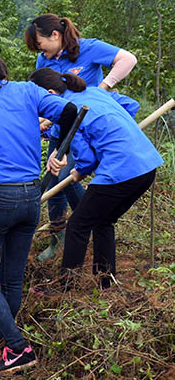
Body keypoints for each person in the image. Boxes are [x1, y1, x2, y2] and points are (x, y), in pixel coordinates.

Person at [0, 43, 77, 374]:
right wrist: (60, 149)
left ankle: (18, 347)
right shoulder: (25, 90)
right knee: (11, 275)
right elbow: (70, 111)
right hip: (31, 196)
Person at [29, 68, 162, 290]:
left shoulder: (69, 111)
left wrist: (80, 170)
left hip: (121, 171)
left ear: (50, 93)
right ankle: (105, 282)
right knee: (103, 221)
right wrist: (115, 133)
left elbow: (87, 160)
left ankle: (64, 287)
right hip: (146, 166)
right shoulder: (93, 92)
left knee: (77, 226)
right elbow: (130, 105)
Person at [25, 14, 138, 260]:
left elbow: (128, 59)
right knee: (54, 179)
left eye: (40, 44)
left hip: (84, 129)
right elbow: (46, 95)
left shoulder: (88, 48)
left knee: (67, 176)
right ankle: (59, 237)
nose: (40, 51)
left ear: (55, 35)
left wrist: (103, 88)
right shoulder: (43, 60)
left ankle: (87, 222)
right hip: (60, 129)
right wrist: (43, 121)